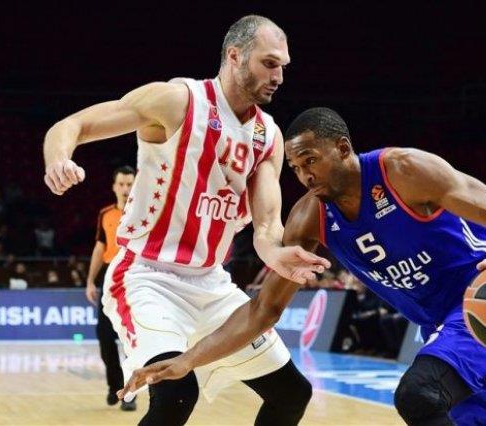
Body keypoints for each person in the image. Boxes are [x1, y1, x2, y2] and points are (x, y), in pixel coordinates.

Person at [119, 107, 486, 425]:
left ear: (343, 149)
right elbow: (263, 310)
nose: (304, 174)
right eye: (295, 167)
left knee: (419, 395)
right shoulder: (309, 218)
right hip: (440, 324)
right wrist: (188, 360)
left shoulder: (404, 170)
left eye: (311, 159)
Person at [43, 16, 330, 426]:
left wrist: (279, 256)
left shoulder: (268, 136)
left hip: (211, 283)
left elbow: (267, 227)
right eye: (269, 63)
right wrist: (58, 159)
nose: (279, 76)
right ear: (235, 56)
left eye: (283, 66)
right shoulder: (177, 100)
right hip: (147, 276)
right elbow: (73, 125)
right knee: (176, 393)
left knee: (292, 394)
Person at [85, 166, 137, 411]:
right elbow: (100, 247)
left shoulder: (144, 211)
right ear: (114, 187)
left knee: (131, 339)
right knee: (104, 335)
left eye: (130, 184)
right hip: (109, 278)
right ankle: (114, 385)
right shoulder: (105, 214)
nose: (126, 189)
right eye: (122, 184)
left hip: (134, 277)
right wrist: (90, 280)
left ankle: (130, 392)